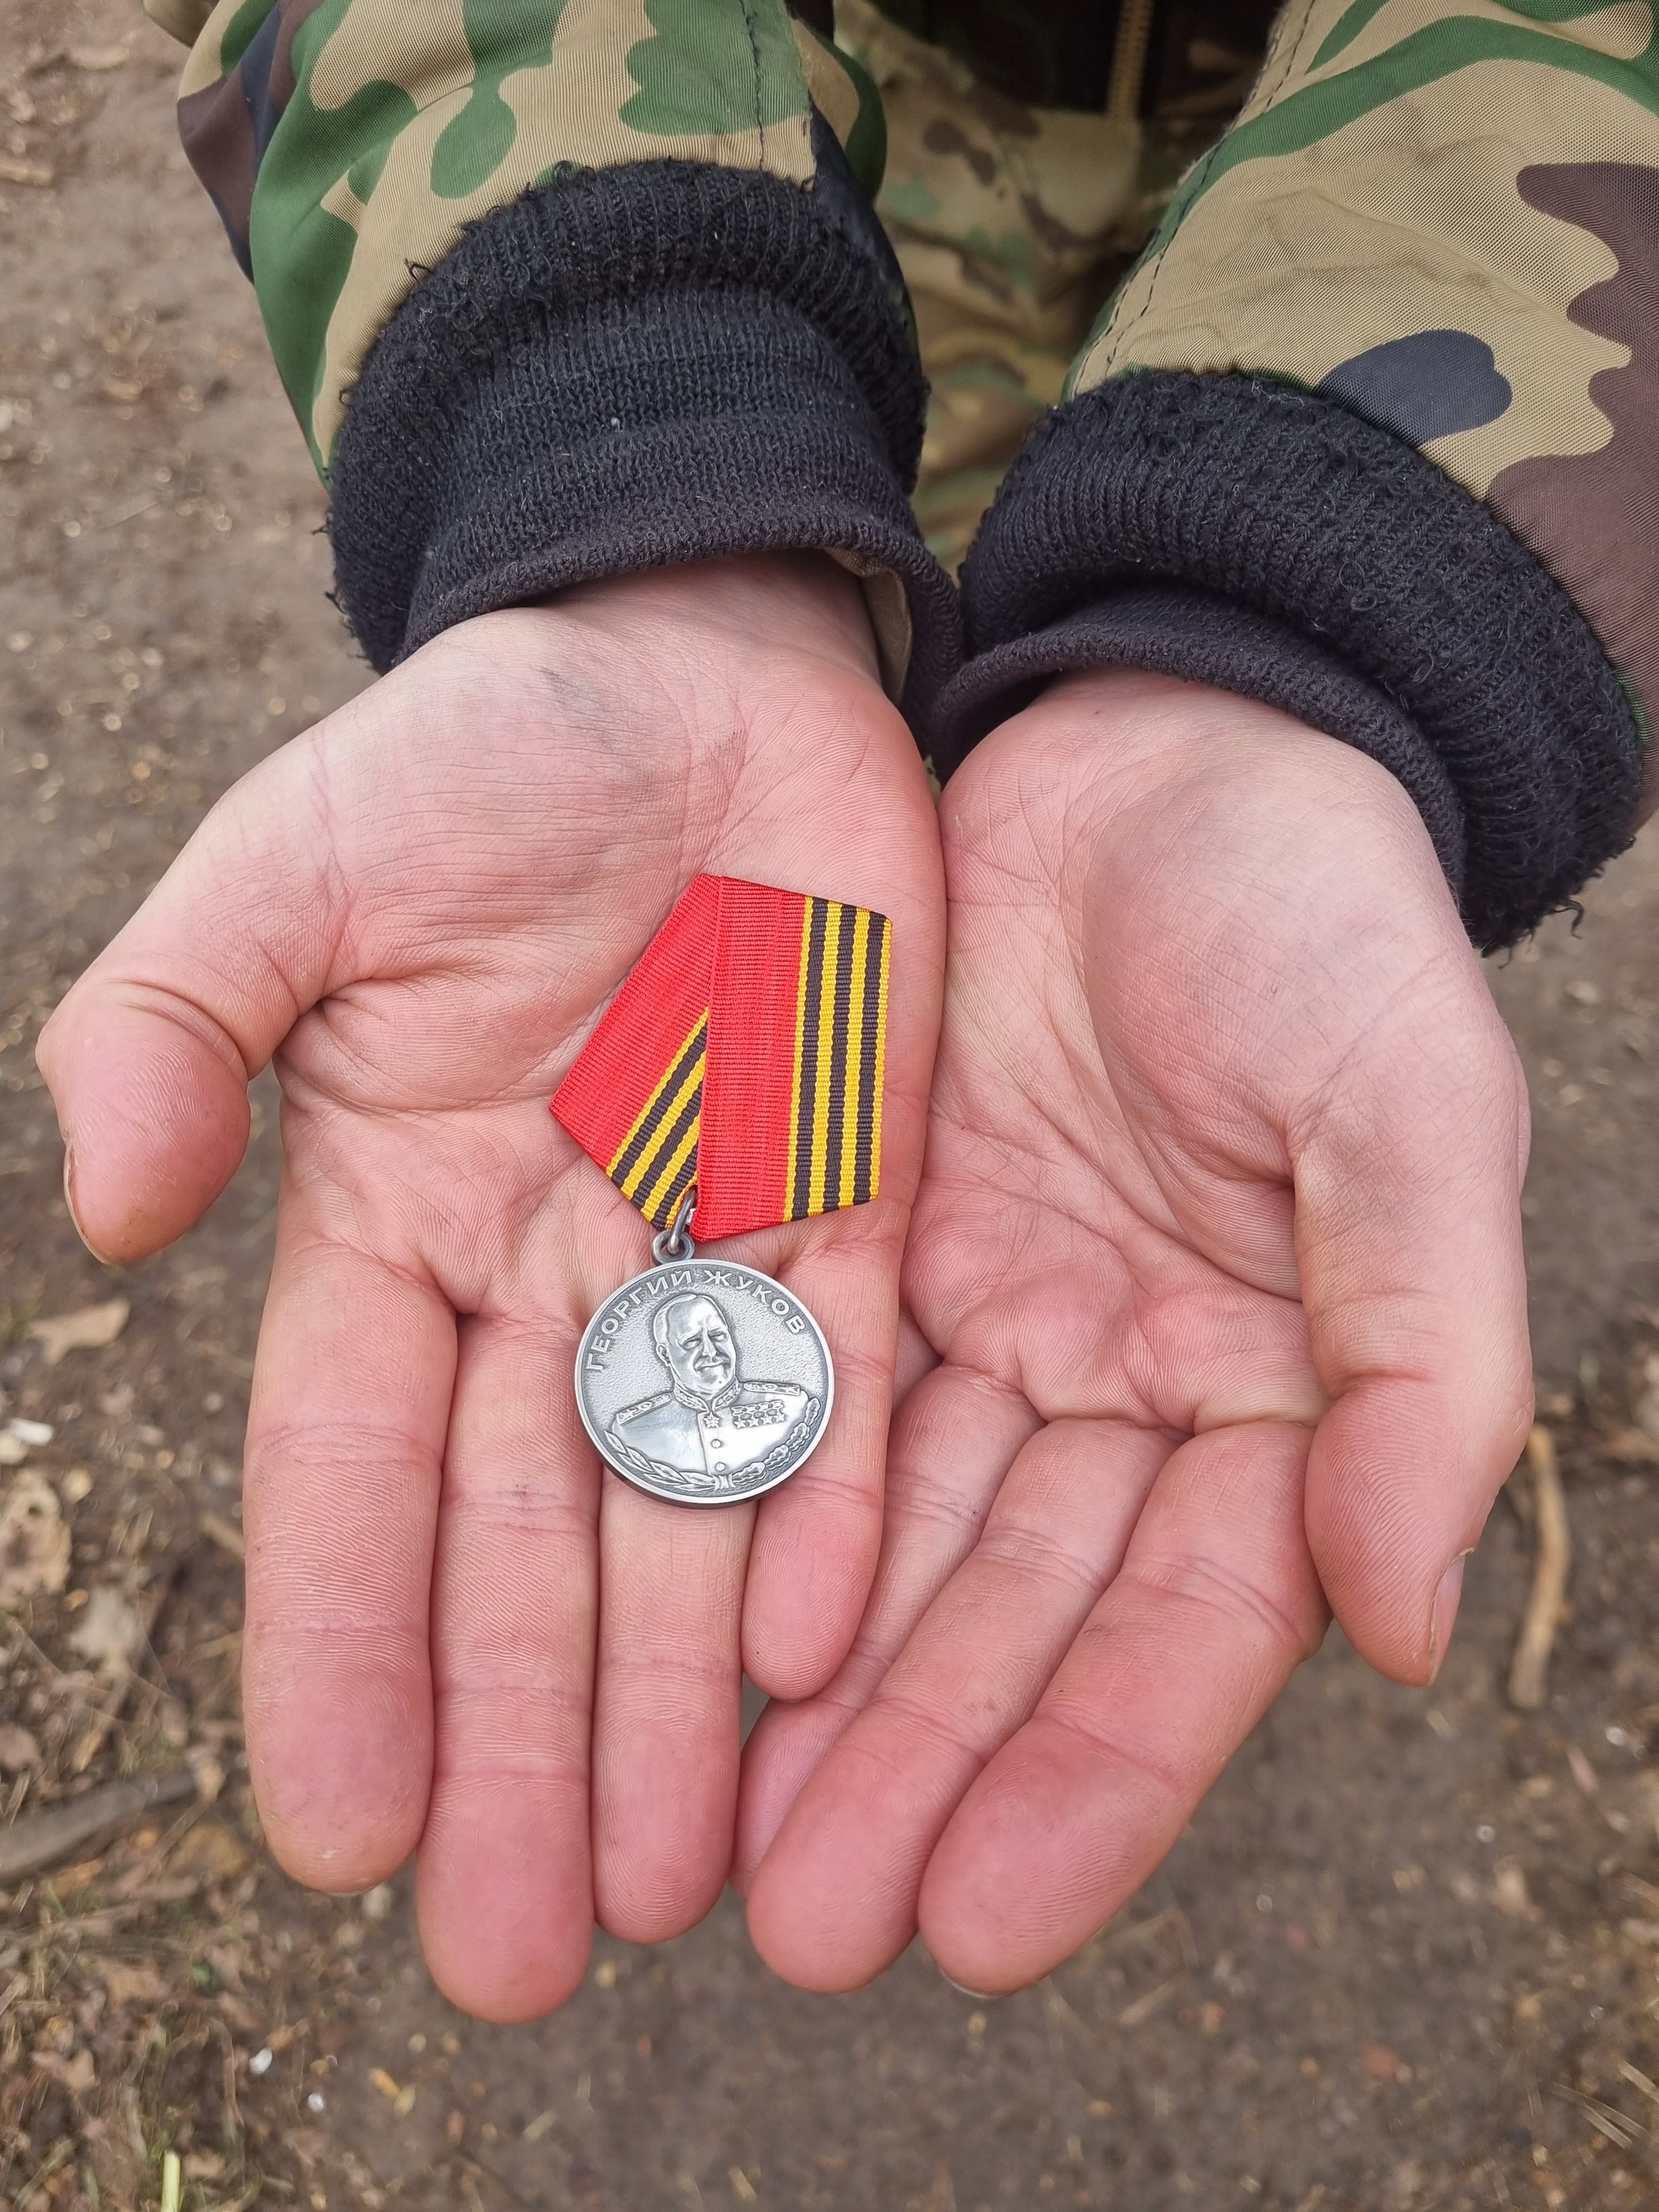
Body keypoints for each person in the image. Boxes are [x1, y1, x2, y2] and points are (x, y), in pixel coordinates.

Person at [38, 0, 1654, 2021]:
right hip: (815, 124)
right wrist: (638, 449)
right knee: (905, 605)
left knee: (1031, 697)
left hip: (1483, 129)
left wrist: (1326, 626)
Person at [611, 1294, 812, 1486]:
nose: (711, 1351)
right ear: (665, 1354)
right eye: (692, 1341)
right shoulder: (632, 1429)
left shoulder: (793, 1405)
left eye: (718, 1335)